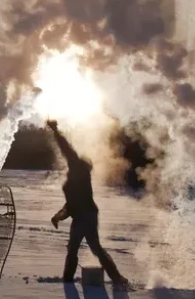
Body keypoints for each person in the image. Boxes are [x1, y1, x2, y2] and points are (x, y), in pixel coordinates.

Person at [46, 119, 129, 288]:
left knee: (83, 249)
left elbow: (66, 149)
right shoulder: (75, 178)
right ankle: (115, 279)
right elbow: (70, 205)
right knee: (87, 249)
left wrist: (55, 130)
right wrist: (58, 217)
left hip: (86, 216)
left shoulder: (79, 170)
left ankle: (70, 281)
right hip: (84, 216)